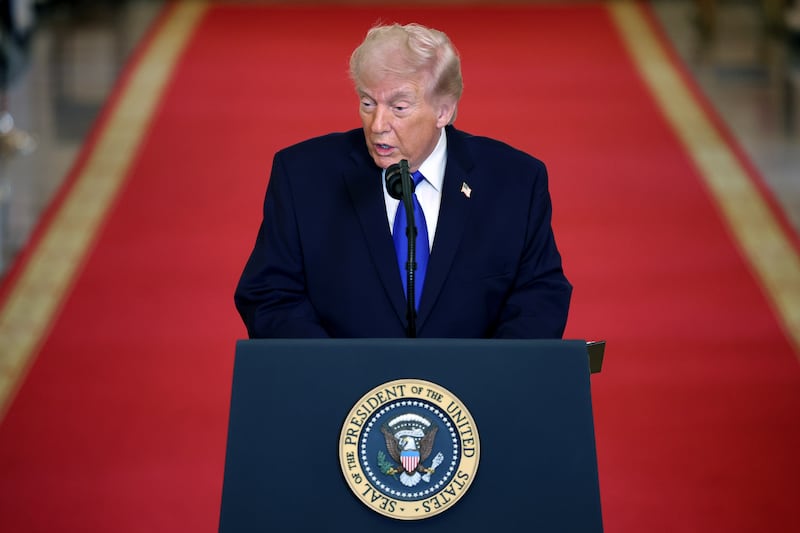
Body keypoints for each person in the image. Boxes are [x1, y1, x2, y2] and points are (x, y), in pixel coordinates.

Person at [234, 22, 571, 339]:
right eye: (367, 103)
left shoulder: (515, 182)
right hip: (342, 395)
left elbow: (539, 296)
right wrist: (333, 373)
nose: (378, 124)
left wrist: (485, 381)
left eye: (399, 107)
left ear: (444, 111)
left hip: (470, 397)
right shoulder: (302, 176)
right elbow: (269, 294)